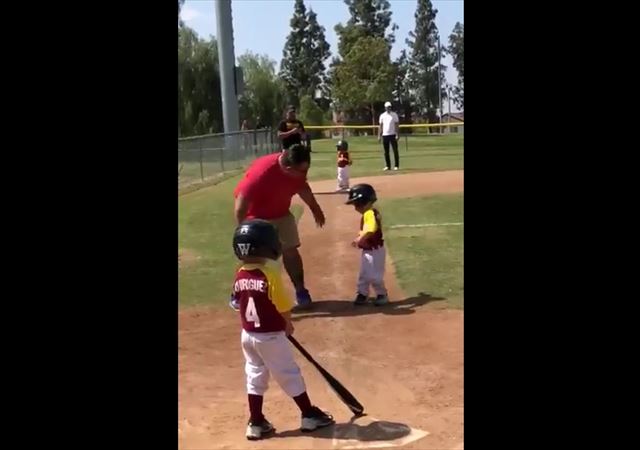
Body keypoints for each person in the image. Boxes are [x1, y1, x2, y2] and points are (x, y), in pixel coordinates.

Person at [232, 219, 335, 440]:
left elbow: (236, 302)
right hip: (270, 336)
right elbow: (282, 305)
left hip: (247, 335)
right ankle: (309, 414)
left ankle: (256, 421)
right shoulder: (269, 274)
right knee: (288, 373)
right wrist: (287, 324)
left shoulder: (240, 273)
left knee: (255, 374)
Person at [230, 143, 325, 311]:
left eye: (306, 170)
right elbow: (241, 205)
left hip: (281, 214)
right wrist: (243, 232)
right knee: (253, 259)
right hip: (256, 218)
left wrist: (315, 208)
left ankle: (301, 291)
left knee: (291, 252)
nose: (305, 174)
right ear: (287, 169)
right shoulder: (261, 173)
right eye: (301, 171)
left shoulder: (297, 171)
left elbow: (302, 187)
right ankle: (238, 293)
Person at [345, 184, 389, 306]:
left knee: (374, 276)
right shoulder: (368, 213)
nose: (356, 208)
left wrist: (360, 238)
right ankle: (362, 293)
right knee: (364, 274)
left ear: (365, 202)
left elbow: (371, 229)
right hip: (369, 250)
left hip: (375, 251)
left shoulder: (370, 213)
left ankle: (382, 294)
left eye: (357, 204)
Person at [378, 101, 400, 171]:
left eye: (390, 107)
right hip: (385, 135)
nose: (389, 108)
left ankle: (396, 165)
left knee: (395, 150)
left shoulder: (394, 115)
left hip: (393, 134)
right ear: (385, 108)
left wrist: (397, 134)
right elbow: (380, 126)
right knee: (386, 152)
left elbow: (396, 125)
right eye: (387, 107)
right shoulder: (382, 116)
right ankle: (388, 166)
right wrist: (379, 136)